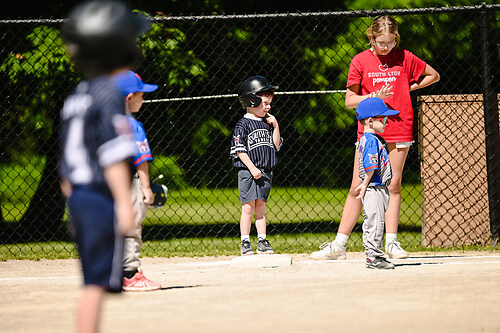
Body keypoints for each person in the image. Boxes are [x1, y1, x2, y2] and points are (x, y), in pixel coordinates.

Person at [311, 15, 440, 260]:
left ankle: (391, 243)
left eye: (390, 42)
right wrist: (372, 97)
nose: (385, 47)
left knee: (393, 185)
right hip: (370, 130)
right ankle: (339, 245)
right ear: (372, 37)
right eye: (381, 42)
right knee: (358, 185)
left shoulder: (405, 57)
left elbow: (433, 75)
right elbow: (350, 101)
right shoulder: (360, 60)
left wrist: (407, 88)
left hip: (400, 126)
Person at [59, 1, 151, 332]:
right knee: (98, 282)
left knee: (92, 282)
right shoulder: (109, 95)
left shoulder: (78, 94)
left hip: (79, 194)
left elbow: (70, 154)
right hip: (99, 196)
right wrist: (124, 207)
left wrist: (71, 199)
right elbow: (113, 156)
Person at [113, 70, 161, 291]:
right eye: (141, 94)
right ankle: (130, 273)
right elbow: (141, 160)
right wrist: (146, 187)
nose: (144, 99)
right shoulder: (133, 126)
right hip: (128, 182)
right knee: (131, 225)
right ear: (129, 98)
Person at [230, 75, 282, 255]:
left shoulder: (267, 124)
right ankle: (245, 241)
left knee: (261, 207)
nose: (268, 107)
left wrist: (276, 127)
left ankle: (262, 240)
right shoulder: (242, 125)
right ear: (252, 100)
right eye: (265, 103)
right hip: (248, 171)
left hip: (266, 171)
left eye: (269, 104)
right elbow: (239, 149)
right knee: (247, 207)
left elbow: (275, 146)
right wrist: (252, 168)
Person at [354, 97, 399, 269]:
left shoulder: (371, 138)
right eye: (384, 119)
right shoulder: (371, 140)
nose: (386, 123)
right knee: (375, 222)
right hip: (373, 187)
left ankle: (374, 255)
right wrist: (365, 184)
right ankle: (373, 257)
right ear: (371, 121)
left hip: (376, 187)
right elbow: (370, 165)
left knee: (376, 221)